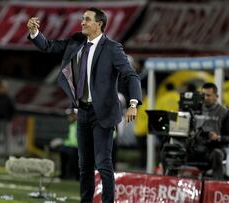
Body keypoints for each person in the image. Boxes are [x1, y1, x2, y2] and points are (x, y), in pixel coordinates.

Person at [27, 7, 142, 203]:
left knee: (104, 164)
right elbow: (48, 46)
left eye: (87, 20)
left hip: (103, 113)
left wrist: (133, 103)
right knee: (85, 165)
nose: (82, 22)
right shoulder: (77, 42)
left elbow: (131, 75)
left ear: (99, 24)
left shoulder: (113, 48)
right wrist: (34, 32)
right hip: (83, 112)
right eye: (82, 19)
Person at [191, 83, 229, 179]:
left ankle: (218, 184)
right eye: (203, 95)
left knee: (217, 153)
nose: (205, 98)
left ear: (216, 96)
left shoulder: (224, 112)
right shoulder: (195, 110)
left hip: (215, 148)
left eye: (208, 95)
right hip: (196, 147)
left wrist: (218, 137)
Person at [50, 109, 79, 180]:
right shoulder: (72, 125)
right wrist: (62, 142)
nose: (69, 117)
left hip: (79, 148)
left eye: (71, 115)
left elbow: (76, 142)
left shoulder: (79, 125)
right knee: (62, 150)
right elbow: (72, 140)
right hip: (74, 147)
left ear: (76, 115)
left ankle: (72, 174)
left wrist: (62, 143)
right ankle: (64, 174)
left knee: (69, 152)